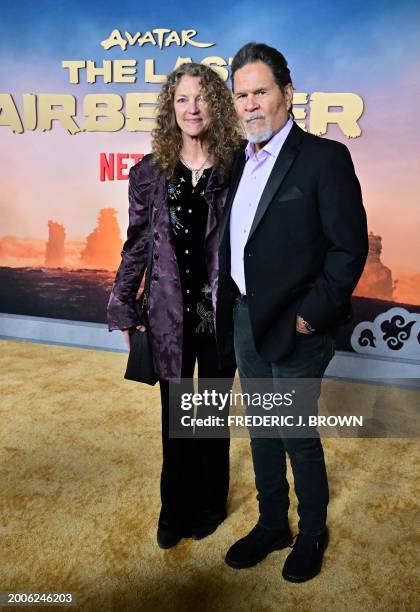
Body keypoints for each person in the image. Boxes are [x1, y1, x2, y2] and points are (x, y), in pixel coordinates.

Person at [216, 43, 368, 582]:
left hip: (297, 327)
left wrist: (311, 316)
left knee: (295, 433)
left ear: (287, 94)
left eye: (261, 91)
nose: (251, 104)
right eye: (241, 95)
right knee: (261, 429)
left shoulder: (324, 158)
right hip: (244, 320)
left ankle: (312, 532)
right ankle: (272, 523)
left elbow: (348, 248)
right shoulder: (237, 159)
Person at [107, 62, 241, 549]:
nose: (192, 108)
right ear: (171, 107)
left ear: (217, 105)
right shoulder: (148, 173)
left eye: (202, 98)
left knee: (209, 416)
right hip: (168, 314)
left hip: (221, 313)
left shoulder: (239, 166)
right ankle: (174, 509)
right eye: (183, 99)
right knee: (175, 417)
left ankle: (210, 504)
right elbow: (136, 243)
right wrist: (124, 304)